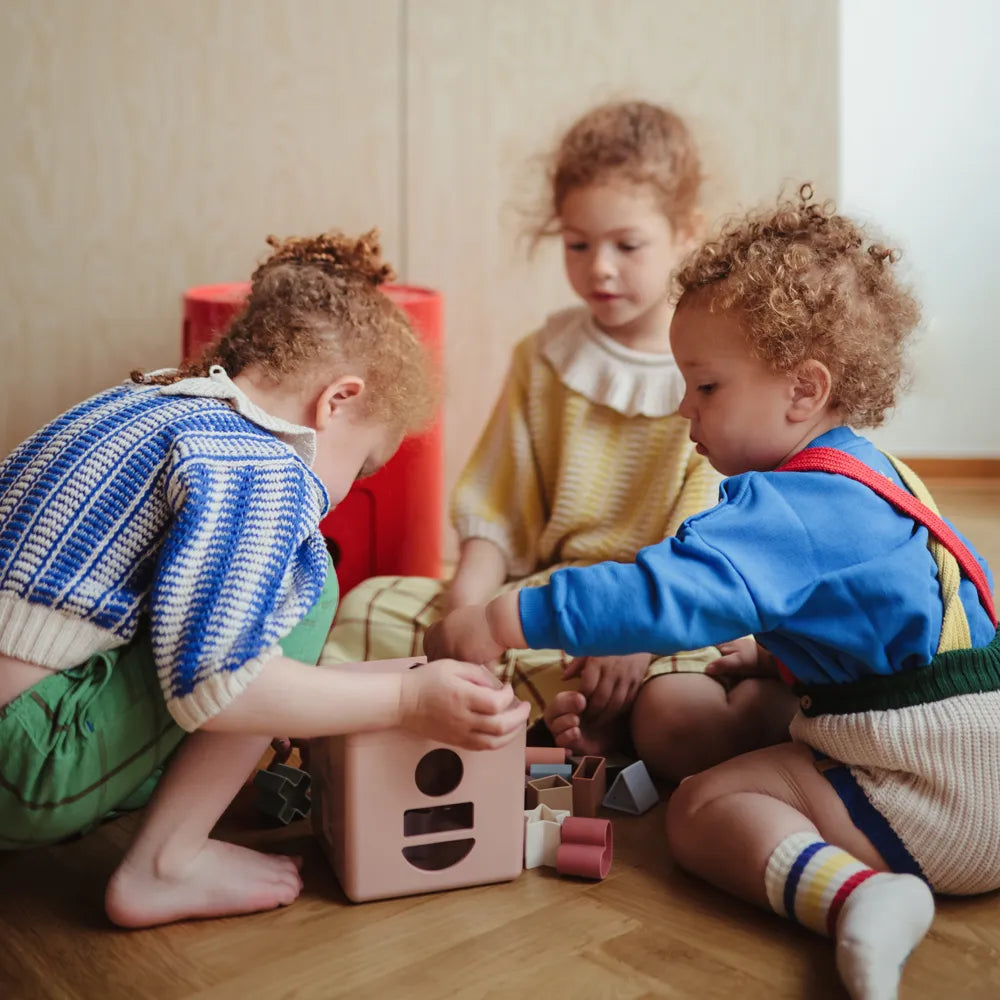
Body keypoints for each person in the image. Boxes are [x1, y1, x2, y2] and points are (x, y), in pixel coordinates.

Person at [424, 187, 998, 1000]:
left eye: (706, 388)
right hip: (981, 765)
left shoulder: (786, 509)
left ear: (803, 389)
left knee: (702, 809)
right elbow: (912, 618)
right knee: (759, 717)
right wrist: (769, 653)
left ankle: (858, 897)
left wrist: (500, 618)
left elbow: (661, 595)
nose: (684, 410)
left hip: (926, 800)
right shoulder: (874, 475)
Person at [0, 229, 529, 929]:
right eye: (365, 465)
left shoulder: (144, 399)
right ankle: (164, 865)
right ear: (336, 401)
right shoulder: (262, 467)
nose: (347, 491)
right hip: (22, 766)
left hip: (20, 729)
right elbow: (219, 686)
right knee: (306, 577)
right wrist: (403, 698)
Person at [323, 100, 796, 782]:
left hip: (670, 610)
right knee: (370, 611)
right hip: (554, 601)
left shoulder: (716, 373)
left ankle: (623, 722)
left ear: (686, 233)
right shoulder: (542, 359)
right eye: (578, 244)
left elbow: (710, 536)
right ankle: (563, 725)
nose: (599, 267)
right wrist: (465, 615)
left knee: (680, 717)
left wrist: (635, 629)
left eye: (626, 246)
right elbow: (495, 511)